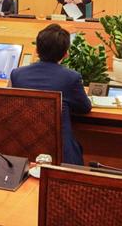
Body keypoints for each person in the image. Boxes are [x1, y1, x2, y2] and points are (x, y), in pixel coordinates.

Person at [9, 24, 92, 165]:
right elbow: (85, 108)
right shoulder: (71, 78)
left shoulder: (17, 74)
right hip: (61, 155)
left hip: (23, 148)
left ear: (36, 49)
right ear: (66, 54)